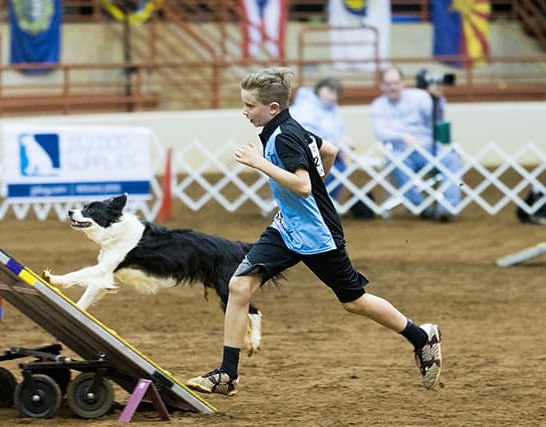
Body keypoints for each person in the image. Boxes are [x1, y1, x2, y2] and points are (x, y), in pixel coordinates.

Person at [186, 67, 442, 396]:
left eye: (250, 106)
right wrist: (309, 192)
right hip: (287, 226)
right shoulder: (285, 127)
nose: (245, 112)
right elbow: (330, 151)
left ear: (273, 108)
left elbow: (304, 186)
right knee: (238, 286)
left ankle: (422, 338)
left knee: (354, 301)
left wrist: (259, 163)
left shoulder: (284, 135)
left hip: (317, 232)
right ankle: (227, 375)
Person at [370, 67, 463, 222]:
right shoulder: (378, 105)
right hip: (400, 152)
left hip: (428, 149)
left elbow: (438, 118)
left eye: (396, 82)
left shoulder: (419, 97)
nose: (393, 87)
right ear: (382, 86)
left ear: (403, 83)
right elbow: (380, 133)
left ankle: (447, 208)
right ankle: (420, 207)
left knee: (452, 159)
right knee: (396, 161)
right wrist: (401, 137)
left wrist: (437, 99)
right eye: (388, 83)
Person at [289, 77, 356, 199]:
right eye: (330, 92)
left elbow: (338, 131)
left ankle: (326, 201)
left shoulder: (332, 108)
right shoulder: (305, 108)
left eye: (336, 93)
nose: (333, 97)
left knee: (340, 167)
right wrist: (336, 142)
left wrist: (343, 142)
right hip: (306, 154)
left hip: (328, 153)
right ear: (319, 89)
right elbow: (306, 134)